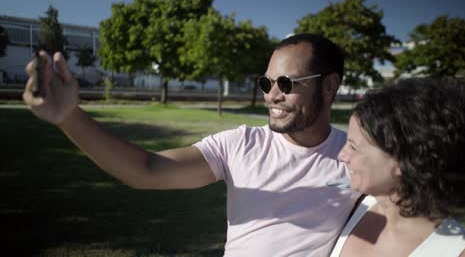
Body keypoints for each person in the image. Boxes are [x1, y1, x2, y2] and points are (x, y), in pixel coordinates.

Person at [23, 33, 358, 256]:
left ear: (329, 87)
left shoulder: (358, 160)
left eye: (286, 82)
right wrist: (68, 117)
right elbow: (148, 170)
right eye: (266, 82)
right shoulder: (241, 144)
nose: (272, 94)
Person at [330, 78, 465, 257]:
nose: (341, 155)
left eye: (353, 147)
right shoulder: (353, 206)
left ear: (403, 162)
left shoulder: (456, 251)